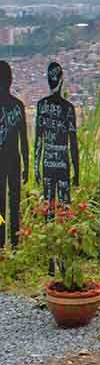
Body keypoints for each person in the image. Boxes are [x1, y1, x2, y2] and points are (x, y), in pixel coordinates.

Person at [34, 62, 80, 213]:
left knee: (48, 204)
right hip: (62, 161)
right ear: (62, 80)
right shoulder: (68, 108)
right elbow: (73, 143)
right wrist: (76, 171)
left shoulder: (42, 105)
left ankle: (50, 225)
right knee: (64, 205)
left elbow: (38, 140)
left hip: (48, 160)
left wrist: (36, 166)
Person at [0, 61, 28, 251]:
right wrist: (26, 164)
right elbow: (23, 139)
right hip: (14, 160)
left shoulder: (19, 106)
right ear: (11, 80)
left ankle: (1, 241)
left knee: (1, 204)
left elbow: (24, 139)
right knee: (14, 202)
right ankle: (15, 241)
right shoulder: (18, 105)